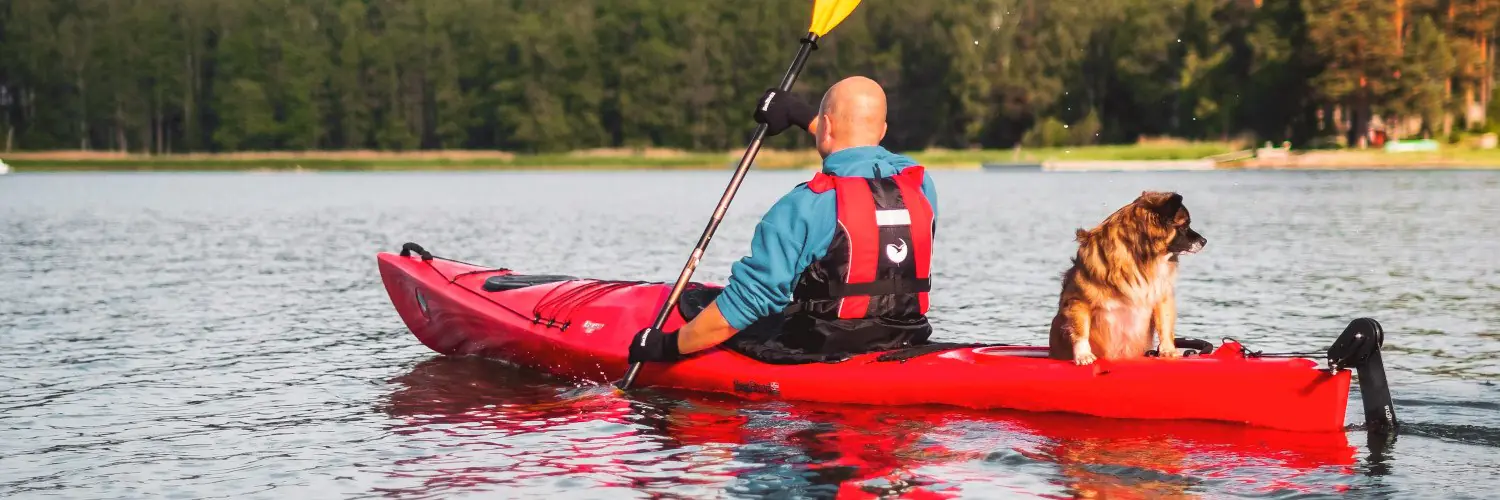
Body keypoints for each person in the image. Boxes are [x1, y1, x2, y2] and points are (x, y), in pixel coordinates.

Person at [629, 76, 939, 364]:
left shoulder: (804, 205)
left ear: (827, 127)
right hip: (907, 339)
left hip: (823, 349)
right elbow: (882, 158)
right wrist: (799, 115)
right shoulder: (920, 186)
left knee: (700, 302)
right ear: (882, 132)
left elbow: (745, 304)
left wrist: (665, 347)